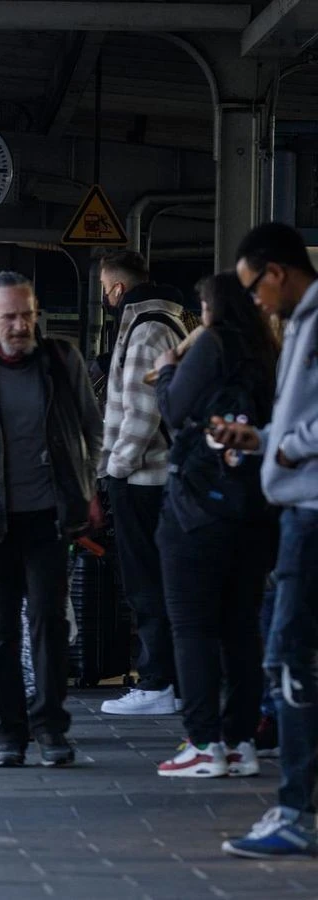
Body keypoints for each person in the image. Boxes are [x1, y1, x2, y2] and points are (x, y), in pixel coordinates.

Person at [0, 271, 103, 767]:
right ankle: (8, 734)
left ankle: (51, 729)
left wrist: (86, 487)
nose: (19, 325)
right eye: (9, 316)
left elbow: (91, 430)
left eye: (27, 315)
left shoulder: (60, 362)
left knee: (50, 625)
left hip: (48, 520)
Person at [209, 223, 318, 858]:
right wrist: (261, 439)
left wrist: (287, 446)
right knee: (291, 660)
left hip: (311, 511)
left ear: (275, 273)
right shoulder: (303, 322)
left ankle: (295, 811)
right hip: (299, 509)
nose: (254, 302)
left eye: (253, 289)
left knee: (290, 662)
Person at [150, 272, 279, 779]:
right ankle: (242, 740)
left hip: (198, 513)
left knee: (193, 627)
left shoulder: (213, 344)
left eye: (202, 308)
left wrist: (165, 372)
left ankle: (203, 744)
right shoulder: (268, 353)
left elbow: (174, 410)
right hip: (255, 514)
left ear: (213, 310)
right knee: (241, 630)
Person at [97, 251, 189, 716]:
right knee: (159, 577)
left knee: (145, 580)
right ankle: (166, 678)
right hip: (153, 475)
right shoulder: (162, 322)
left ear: (116, 289)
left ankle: (158, 681)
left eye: (104, 292)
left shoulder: (145, 327)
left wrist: (115, 469)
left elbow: (141, 409)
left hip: (144, 477)